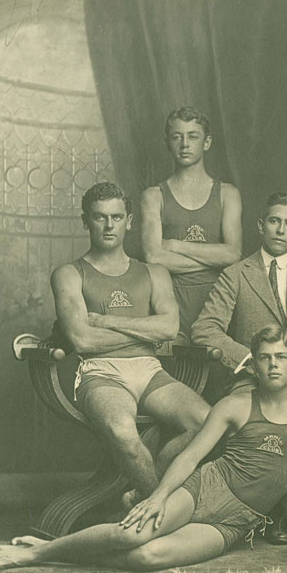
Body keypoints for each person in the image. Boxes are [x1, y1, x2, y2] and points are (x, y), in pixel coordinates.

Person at [0, 326, 287, 572]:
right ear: (256, 362)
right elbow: (191, 455)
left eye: (281, 357)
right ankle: (37, 553)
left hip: (238, 521)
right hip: (203, 489)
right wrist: (157, 496)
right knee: (130, 534)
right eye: (265, 357)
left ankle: (61, 553)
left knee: (147, 557)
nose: (273, 365)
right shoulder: (236, 404)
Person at [49, 182, 209, 501]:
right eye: (99, 217)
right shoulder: (69, 273)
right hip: (101, 372)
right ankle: (159, 511)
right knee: (123, 431)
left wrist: (108, 320)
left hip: (149, 370)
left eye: (117, 217)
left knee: (209, 422)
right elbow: (82, 339)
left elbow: (169, 327)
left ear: (130, 221)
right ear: (85, 221)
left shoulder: (154, 272)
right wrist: (143, 329)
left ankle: (142, 496)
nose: (109, 225)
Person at [191, 192, 287, 395]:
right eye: (274, 221)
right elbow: (204, 329)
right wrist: (252, 361)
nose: (281, 230)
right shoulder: (235, 275)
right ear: (261, 226)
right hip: (253, 375)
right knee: (244, 411)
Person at [141, 107, 242, 339]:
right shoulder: (153, 196)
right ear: (168, 143)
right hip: (170, 298)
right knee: (176, 367)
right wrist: (215, 260)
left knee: (219, 367)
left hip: (218, 298)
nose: (185, 144)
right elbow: (154, 258)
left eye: (193, 136)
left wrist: (176, 245)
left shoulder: (228, 194)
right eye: (177, 137)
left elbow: (234, 253)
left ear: (206, 142)